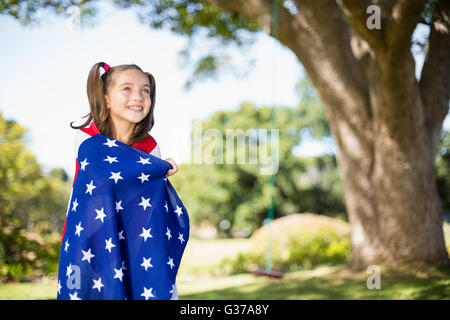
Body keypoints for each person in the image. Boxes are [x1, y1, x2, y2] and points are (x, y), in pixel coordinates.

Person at [59, 62, 184, 300]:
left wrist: (159, 169)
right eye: (126, 88)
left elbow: (146, 196)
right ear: (105, 99)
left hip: (137, 241)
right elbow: (105, 172)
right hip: (90, 239)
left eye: (145, 90)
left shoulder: (150, 146)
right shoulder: (88, 138)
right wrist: (146, 166)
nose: (138, 96)